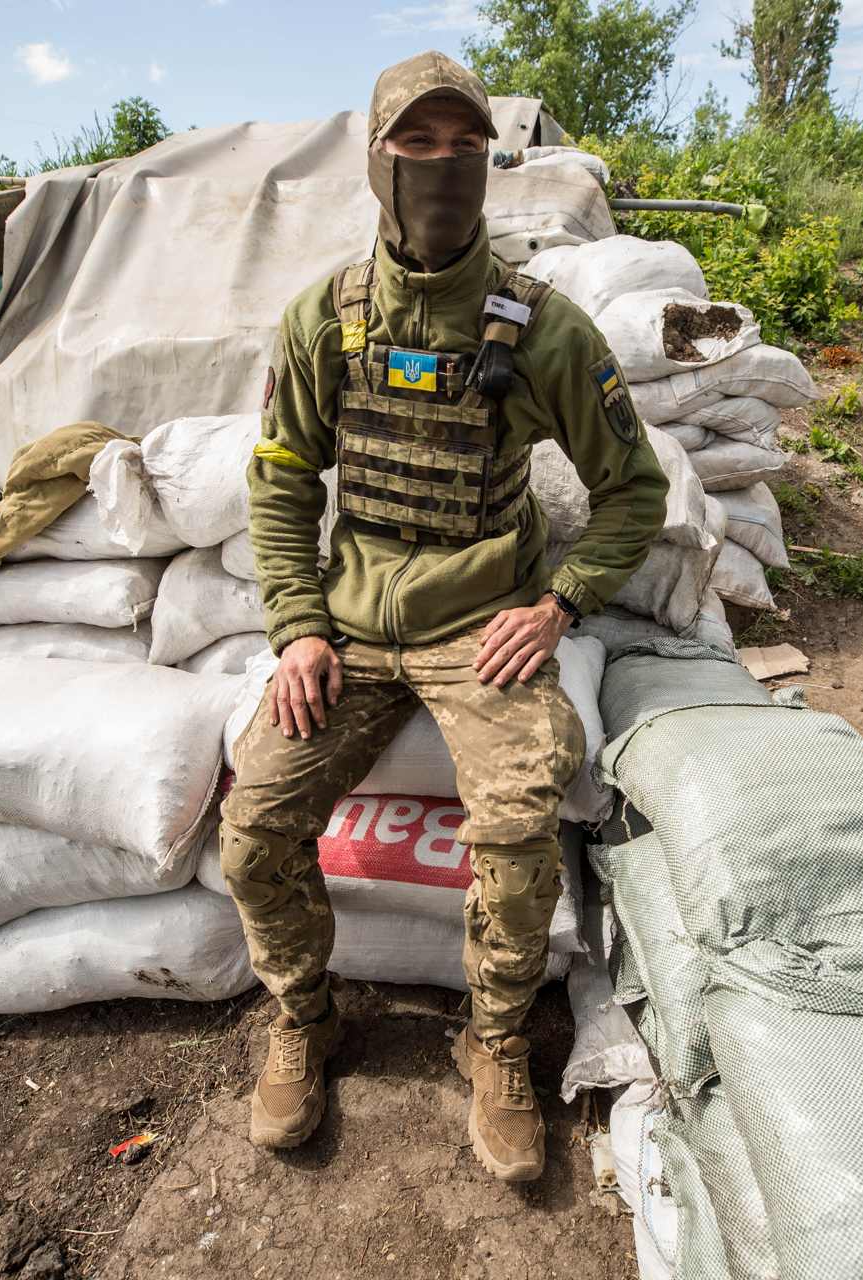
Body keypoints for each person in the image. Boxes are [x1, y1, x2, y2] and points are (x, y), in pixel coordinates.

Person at [218, 50, 668, 1182]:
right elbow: (281, 482)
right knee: (254, 823)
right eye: (416, 143)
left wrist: (560, 602)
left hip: (483, 627)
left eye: (465, 144)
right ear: (378, 161)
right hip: (350, 625)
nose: (442, 164)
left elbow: (634, 492)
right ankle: (305, 1018)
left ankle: (497, 1040)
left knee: (517, 831)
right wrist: (298, 627)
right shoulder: (325, 318)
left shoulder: (544, 330)